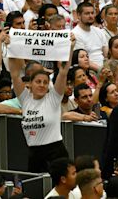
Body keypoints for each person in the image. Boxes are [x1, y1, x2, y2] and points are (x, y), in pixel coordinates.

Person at [8, 34, 74, 173]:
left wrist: (70, 47)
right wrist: (10, 46)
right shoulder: (25, 99)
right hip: (34, 153)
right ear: (29, 84)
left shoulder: (53, 98)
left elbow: (63, 71)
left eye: (45, 82)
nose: (42, 85)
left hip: (55, 152)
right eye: (38, 82)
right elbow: (14, 73)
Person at [72, 2, 108, 70]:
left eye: (92, 13)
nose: (91, 16)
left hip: (104, 66)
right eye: (87, 13)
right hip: (88, 70)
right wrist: (101, 70)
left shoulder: (99, 31)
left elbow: (106, 54)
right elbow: (82, 61)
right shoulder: (75, 34)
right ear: (79, 15)